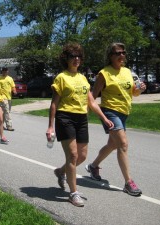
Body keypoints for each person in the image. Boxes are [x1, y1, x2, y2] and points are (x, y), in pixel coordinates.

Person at [46, 43, 114, 207]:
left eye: (79, 56)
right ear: (66, 59)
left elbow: (91, 101)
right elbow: (54, 103)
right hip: (65, 117)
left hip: (82, 118)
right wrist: (50, 126)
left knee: (82, 156)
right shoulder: (61, 77)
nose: (76, 59)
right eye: (72, 56)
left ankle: (60, 172)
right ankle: (73, 193)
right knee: (73, 156)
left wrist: (104, 118)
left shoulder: (83, 78)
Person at [85, 42, 146, 196]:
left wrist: (139, 90)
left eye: (123, 53)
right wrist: (85, 112)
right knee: (123, 144)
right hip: (110, 112)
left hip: (124, 112)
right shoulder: (104, 73)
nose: (121, 56)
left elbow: (133, 93)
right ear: (110, 56)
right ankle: (128, 183)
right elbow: (93, 96)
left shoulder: (127, 72)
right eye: (117, 53)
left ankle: (93, 166)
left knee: (113, 145)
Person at [0, 67, 17, 131]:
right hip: (2, 97)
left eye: (6, 71)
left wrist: (14, 91)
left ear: (7, 71)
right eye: (3, 71)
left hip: (9, 97)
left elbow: (13, 86)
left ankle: (1, 125)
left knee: (6, 111)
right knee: (7, 111)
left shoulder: (10, 78)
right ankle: (9, 126)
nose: (5, 72)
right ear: (1, 71)